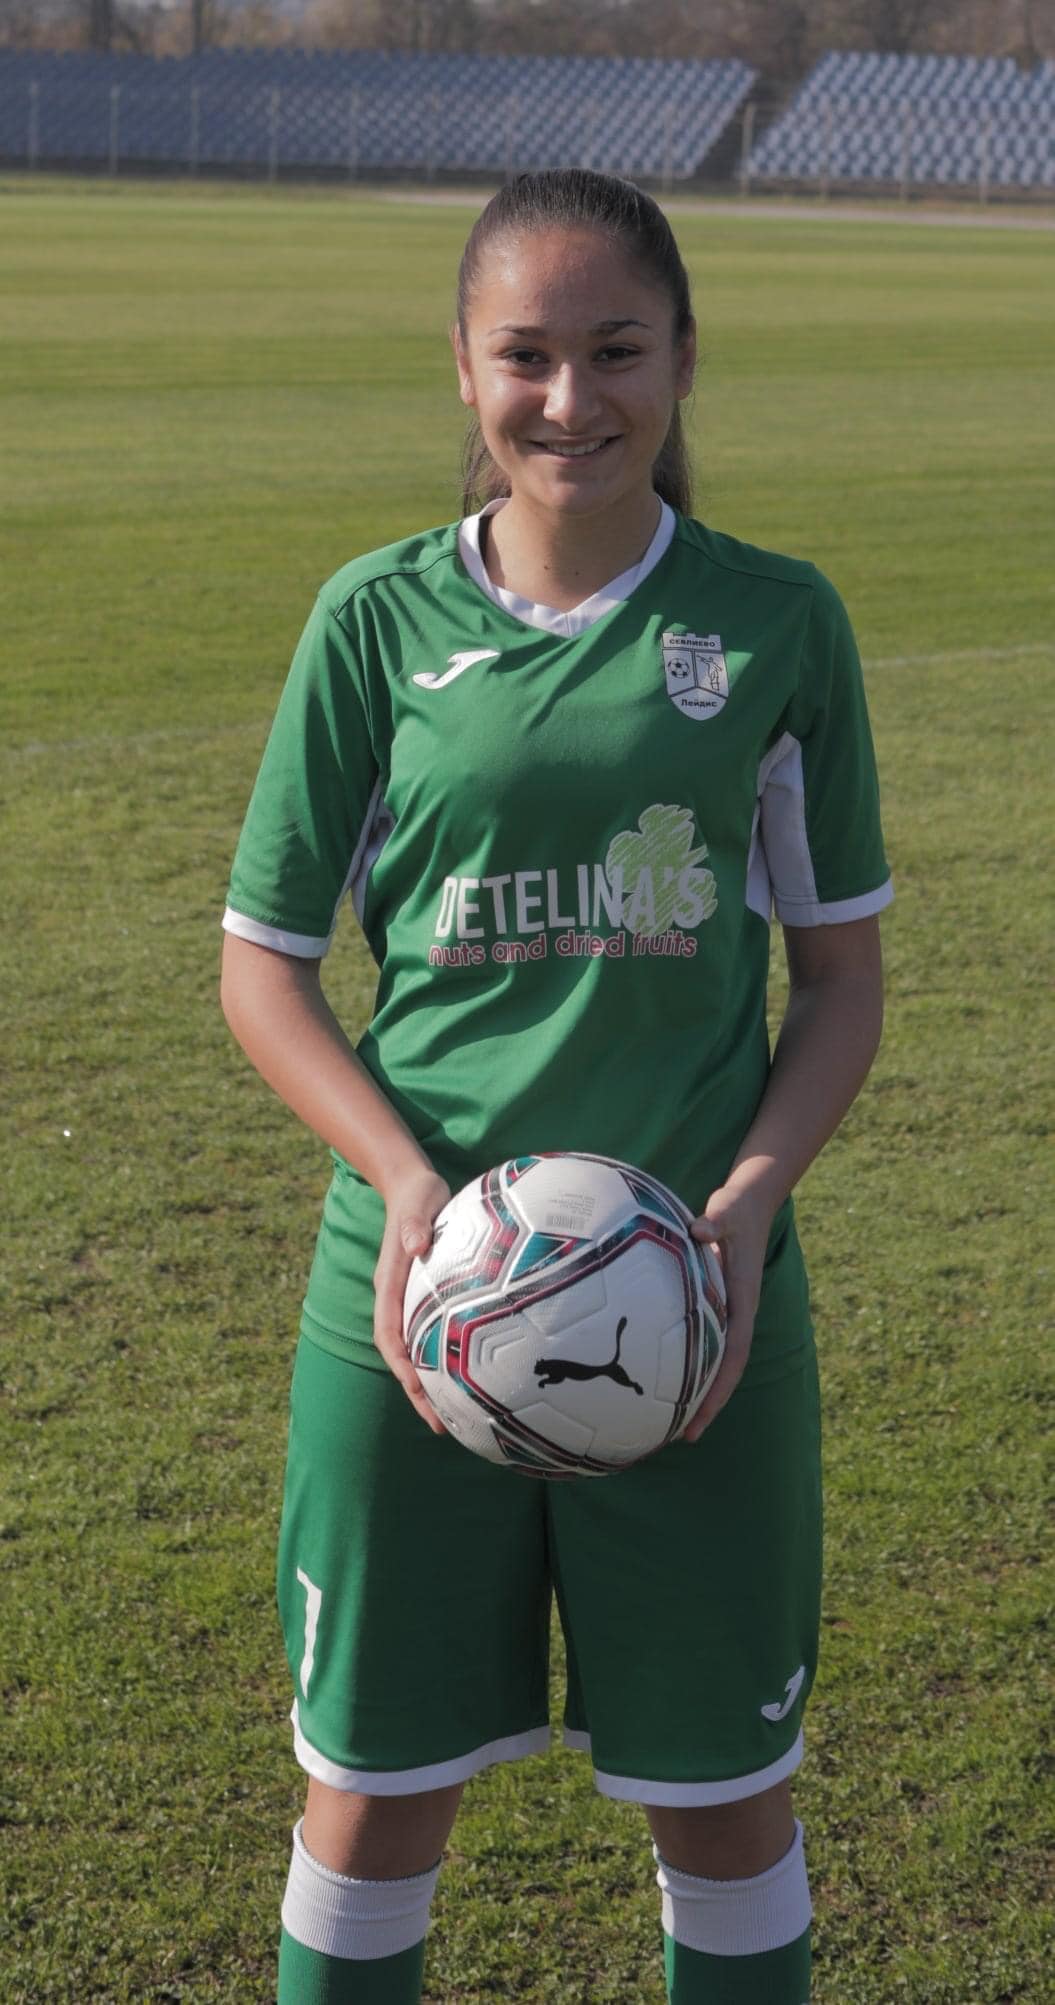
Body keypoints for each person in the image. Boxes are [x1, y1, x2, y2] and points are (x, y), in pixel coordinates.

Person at [220, 168, 890, 2005]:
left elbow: (841, 983)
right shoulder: (374, 623)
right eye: (526, 354)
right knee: (371, 1795)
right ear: (463, 367)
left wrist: (743, 1208)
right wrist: (404, 1184)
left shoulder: (775, 624)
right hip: (412, 1302)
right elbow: (263, 967)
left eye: (617, 350)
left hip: (701, 1306)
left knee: (725, 1802)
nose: (571, 399)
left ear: (684, 359)